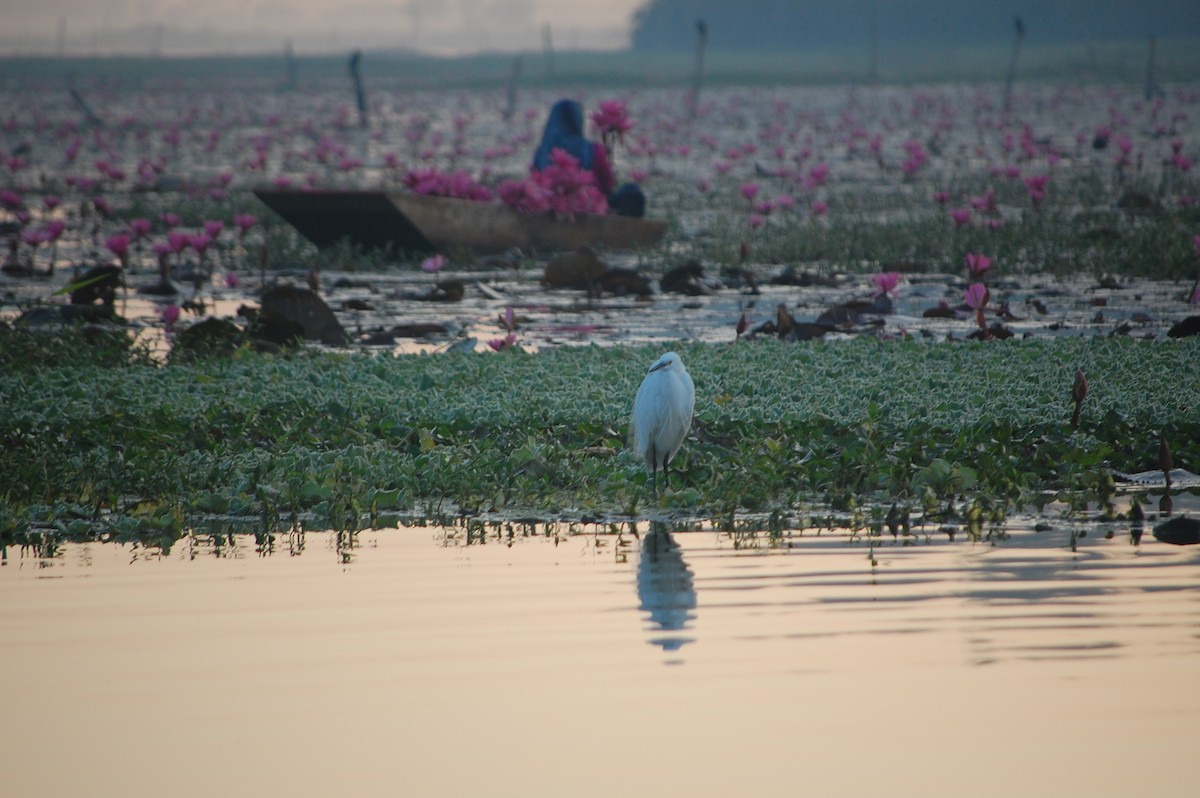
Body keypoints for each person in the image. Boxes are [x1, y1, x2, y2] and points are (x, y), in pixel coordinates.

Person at [532, 99, 645, 218]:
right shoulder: (593, 149)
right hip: (592, 209)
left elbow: (534, 184)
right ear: (577, 120)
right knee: (632, 191)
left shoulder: (541, 152)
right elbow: (607, 186)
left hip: (550, 209)